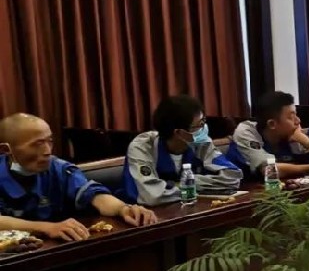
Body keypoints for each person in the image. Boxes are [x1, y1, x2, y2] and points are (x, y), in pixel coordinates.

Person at [0, 113, 157, 240]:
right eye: (37, 144)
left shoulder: (58, 168)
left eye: (50, 142)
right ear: (6, 149)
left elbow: (93, 195)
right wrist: (47, 228)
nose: (48, 151)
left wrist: (123, 209)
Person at [122, 95, 243, 206]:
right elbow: (153, 196)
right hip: (144, 215)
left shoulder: (201, 143)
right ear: (179, 133)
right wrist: (193, 186)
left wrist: (187, 183)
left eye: (204, 121)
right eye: (199, 125)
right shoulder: (142, 147)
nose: (204, 128)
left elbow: (232, 176)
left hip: (188, 208)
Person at [225, 91, 309, 178]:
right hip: (242, 195)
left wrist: (305, 140)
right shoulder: (246, 131)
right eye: (291, 117)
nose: (298, 121)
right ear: (272, 124)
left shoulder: (292, 135)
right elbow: (269, 171)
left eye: (296, 115)